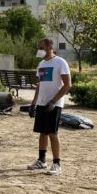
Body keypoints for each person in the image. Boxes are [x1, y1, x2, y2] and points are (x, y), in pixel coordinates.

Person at [28, 38, 72, 175]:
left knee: (53, 133)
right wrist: (33, 103)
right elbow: (40, 84)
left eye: (41, 47)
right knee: (42, 132)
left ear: (50, 47)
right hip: (42, 103)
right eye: (38, 47)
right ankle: (41, 160)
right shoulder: (41, 64)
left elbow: (67, 85)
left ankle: (57, 163)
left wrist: (53, 101)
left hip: (54, 104)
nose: (39, 50)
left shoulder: (60, 62)